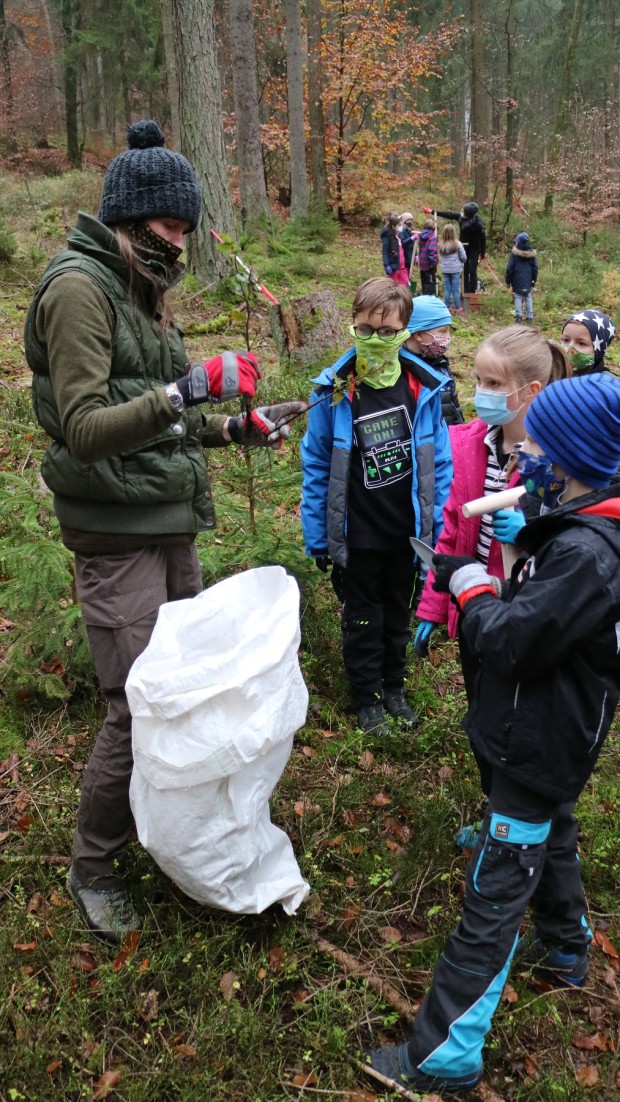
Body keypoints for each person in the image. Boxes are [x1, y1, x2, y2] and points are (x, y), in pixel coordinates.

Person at [24, 120, 305, 944]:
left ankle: (172, 836)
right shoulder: (80, 289)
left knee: (184, 698)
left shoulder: (138, 287)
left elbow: (155, 421)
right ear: (130, 216)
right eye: (168, 227)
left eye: (186, 229)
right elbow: (83, 427)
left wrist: (233, 430)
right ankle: (94, 865)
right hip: (114, 533)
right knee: (136, 706)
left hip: (163, 516)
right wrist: (191, 387)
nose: (179, 242)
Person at [367, 372, 620, 1096]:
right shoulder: (581, 523)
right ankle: (568, 950)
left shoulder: (590, 555)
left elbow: (513, 640)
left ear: (571, 454)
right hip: (549, 737)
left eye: (538, 440)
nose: (524, 450)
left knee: (497, 886)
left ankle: (444, 1054)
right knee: (555, 828)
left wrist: (468, 583)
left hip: (540, 735)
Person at [300, 277, 452, 735]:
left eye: (388, 332)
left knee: (396, 613)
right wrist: (317, 534)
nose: (376, 340)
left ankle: (394, 686)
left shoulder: (424, 388)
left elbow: (440, 463)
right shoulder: (335, 389)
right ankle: (365, 696)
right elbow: (316, 463)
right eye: (365, 330)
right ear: (353, 327)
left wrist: (437, 530)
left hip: (407, 533)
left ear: (405, 330)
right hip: (357, 533)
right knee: (362, 617)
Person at [414, 327, 569, 691]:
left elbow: (577, 536)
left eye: (495, 383)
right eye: (479, 380)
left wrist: (532, 529)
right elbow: (452, 531)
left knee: (516, 695)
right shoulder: (466, 444)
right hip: (472, 601)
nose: (482, 392)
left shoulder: (557, 457)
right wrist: (435, 605)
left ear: (530, 391)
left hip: (523, 608)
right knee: (479, 689)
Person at [403, 295, 464, 426]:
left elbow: (454, 411)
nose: (448, 338)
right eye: (443, 331)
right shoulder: (401, 372)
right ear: (419, 334)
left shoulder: (441, 365)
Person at [425, 201, 486, 293]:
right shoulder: (460, 217)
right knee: (464, 268)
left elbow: (483, 238)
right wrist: (433, 211)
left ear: (468, 214)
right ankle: (465, 289)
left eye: (464, 210)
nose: (461, 211)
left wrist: (482, 253)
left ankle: (472, 291)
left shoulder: (478, 222)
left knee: (472, 269)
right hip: (463, 246)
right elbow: (449, 214)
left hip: (475, 247)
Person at [560, 308, 616, 375]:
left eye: (581, 343)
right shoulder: (550, 376)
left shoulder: (608, 383)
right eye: (566, 340)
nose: (568, 350)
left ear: (599, 350)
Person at [505, 231, 538, 323]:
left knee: (518, 297)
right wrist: (533, 280)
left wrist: (508, 281)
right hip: (528, 279)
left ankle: (518, 316)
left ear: (518, 241)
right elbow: (535, 268)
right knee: (528, 296)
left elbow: (510, 268)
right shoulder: (532, 254)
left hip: (517, 279)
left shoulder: (514, 253)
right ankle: (529, 317)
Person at [437, 223, 466, 312]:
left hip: (445, 269)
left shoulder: (441, 244)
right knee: (455, 290)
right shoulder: (457, 244)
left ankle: (447, 307)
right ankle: (458, 308)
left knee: (447, 289)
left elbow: (440, 255)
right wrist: (462, 262)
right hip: (456, 269)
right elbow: (463, 257)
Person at [380, 213, 408, 286]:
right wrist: (386, 265)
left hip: (402, 266)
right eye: (399, 225)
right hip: (394, 266)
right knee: (394, 286)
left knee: (405, 284)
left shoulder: (399, 235)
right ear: (393, 226)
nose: (401, 227)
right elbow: (385, 252)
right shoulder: (388, 237)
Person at [415, 218, 438, 295]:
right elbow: (432, 251)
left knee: (424, 283)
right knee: (430, 285)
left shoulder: (421, 236)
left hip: (422, 264)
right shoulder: (432, 237)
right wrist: (433, 264)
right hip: (429, 264)